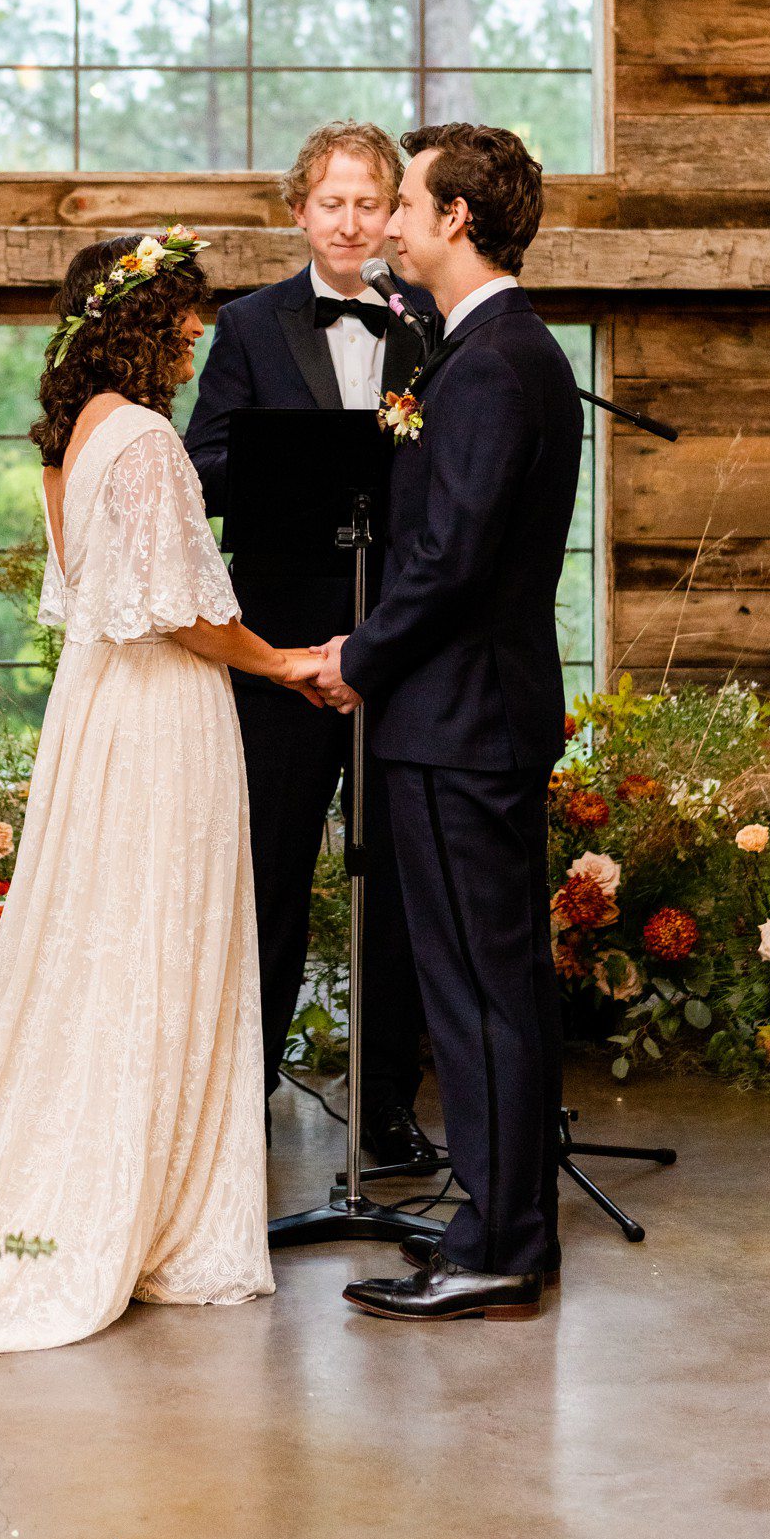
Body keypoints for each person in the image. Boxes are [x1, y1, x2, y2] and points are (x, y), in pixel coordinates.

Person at [0, 227, 322, 1361]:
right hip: (162, 717)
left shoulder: (69, 443)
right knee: (160, 941)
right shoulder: (150, 444)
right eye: (180, 310)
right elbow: (179, 610)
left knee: (106, 942)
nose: (195, 329)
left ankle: (127, 1178)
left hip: (96, 717)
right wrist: (281, 662)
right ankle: (150, 1216)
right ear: (133, 321)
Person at [314, 124, 583, 1324]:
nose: (392, 222)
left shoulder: (491, 364)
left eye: (410, 200)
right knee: (496, 987)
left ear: (457, 218)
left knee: (478, 993)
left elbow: (453, 559)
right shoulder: (496, 352)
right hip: (475, 714)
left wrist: (360, 659)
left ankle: (502, 1244)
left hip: (458, 721)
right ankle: (502, 1224)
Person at [185, 122, 437, 1172]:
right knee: (271, 875)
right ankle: (243, 1096)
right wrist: (294, 466)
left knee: (397, 885)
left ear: (394, 216)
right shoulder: (246, 327)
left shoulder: (428, 324)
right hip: (280, 651)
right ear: (300, 213)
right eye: (329, 203)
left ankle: (385, 1107)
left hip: (399, 645)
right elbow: (200, 468)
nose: (349, 221)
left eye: (369, 203)